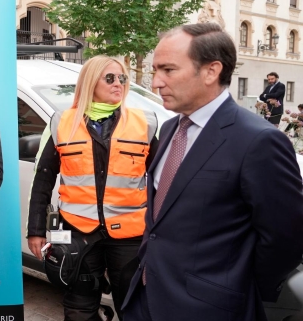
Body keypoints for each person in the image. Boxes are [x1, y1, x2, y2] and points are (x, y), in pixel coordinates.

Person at [122, 23, 303, 321]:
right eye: (156, 70)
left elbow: (285, 239)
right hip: (145, 298)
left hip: (210, 310)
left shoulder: (258, 140)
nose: (156, 82)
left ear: (211, 71)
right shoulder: (170, 129)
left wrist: (232, 286)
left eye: (168, 70)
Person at [26, 55, 159, 321]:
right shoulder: (62, 123)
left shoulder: (145, 123)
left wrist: (160, 231)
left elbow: (160, 182)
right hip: (78, 231)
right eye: (109, 78)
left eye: (122, 78)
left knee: (134, 308)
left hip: (129, 235)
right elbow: (42, 180)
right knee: (79, 308)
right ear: (90, 82)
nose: (118, 83)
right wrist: (36, 231)